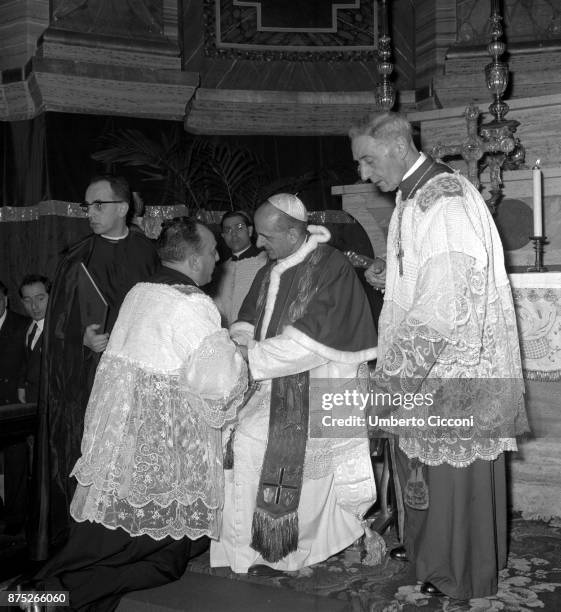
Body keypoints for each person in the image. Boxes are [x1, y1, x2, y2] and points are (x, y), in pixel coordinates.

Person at [22, 217, 248, 612]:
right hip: (159, 454)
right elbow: (220, 383)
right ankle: (37, 596)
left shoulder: (140, 292)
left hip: (122, 442)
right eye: (213, 251)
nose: (218, 258)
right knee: (157, 556)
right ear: (195, 260)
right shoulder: (193, 303)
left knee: (118, 547)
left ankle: (48, 596)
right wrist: (241, 355)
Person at [350, 112, 528, 599]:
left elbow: (445, 304)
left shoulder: (443, 199)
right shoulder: (415, 194)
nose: (363, 174)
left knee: (451, 479)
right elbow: (433, 274)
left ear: (396, 147)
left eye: (367, 160)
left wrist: (393, 382)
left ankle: (457, 573)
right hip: (433, 368)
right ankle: (432, 558)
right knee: (425, 473)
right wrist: (395, 275)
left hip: (452, 369)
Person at [210, 194, 378, 575]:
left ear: (291, 232)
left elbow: (314, 343)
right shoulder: (273, 267)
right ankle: (238, 550)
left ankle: (279, 549)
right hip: (269, 376)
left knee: (254, 440)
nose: (260, 243)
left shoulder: (330, 265)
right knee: (223, 431)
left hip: (322, 382)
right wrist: (240, 341)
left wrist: (251, 356)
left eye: (266, 236)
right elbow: (248, 316)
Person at [31, 175, 160, 559]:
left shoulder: (149, 252)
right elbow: (57, 328)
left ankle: (136, 536)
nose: (90, 213)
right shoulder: (78, 258)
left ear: (122, 207)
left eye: (98, 205)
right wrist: (81, 340)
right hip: (92, 379)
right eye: (87, 206)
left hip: (142, 374)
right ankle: (89, 539)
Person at [0, 279, 30, 534]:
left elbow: (27, 364)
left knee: (16, 464)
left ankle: (15, 521)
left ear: (5, 299)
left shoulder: (22, 325)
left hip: (13, 408)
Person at [212, 210, 267, 326]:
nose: (234, 234)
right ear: (223, 236)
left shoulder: (265, 263)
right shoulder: (219, 270)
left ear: (250, 230)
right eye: (228, 230)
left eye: (239, 227)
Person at [18, 274, 51, 404]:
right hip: (31, 400)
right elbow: (26, 361)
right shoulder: (28, 326)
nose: (34, 306)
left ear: (51, 297)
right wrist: (21, 385)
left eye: (40, 298)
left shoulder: (61, 330)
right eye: (27, 300)